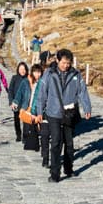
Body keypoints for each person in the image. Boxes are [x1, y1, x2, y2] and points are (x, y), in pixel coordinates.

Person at [38, 48, 92, 182]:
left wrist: (87, 107)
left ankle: (68, 168)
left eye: (68, 63)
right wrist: (39, 111)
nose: (66, 65)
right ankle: (54, 173)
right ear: (57, 60)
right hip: (53, 112)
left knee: (69, 143)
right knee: (56, 142)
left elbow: (82, 91)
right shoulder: (49, 74)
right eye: (63, 62)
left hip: (69, 113)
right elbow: (42, 93)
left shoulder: (76, 74)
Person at [7, 61, 32, 142]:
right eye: (21, 69)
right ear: (18, 69)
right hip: (16, 103)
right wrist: (11, 102)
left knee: (26, 121)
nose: (22, 71)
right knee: (16, 120)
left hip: (25, 103)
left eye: (24, 69)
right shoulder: (14, 78)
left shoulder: (28, 78)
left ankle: (25, 137)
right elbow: (10, 90)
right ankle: (18, 135)